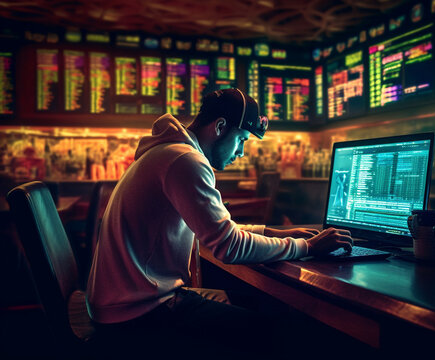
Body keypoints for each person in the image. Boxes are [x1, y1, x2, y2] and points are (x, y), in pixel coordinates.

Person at [86, 88, 352, 358]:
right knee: (275, 333)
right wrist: (306, 247)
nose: (241, 152)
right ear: (220, 127)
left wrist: (271, 232)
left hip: (121, 304)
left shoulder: (170, 153)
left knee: (255, 305)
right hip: (137, 315)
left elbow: (213, 232)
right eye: (242, 140)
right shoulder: (185, 160)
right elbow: (229, 247)